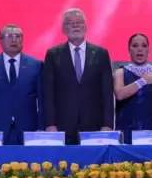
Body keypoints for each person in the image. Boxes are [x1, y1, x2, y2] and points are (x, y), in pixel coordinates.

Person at [42, 8, 114, 145]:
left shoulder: (101, 54)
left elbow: (107, 92)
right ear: (64, 29)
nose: (75, 25)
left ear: (85, 27)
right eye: (70, 22)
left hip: (94, 124)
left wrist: (108, 124)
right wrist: (50, 124)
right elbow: (48, 93)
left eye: (79, 22)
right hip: (63, 125)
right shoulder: (53, 54)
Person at [0, 24, 43, 145]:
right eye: (9, 36)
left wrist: (41, 127)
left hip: (28, 130)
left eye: (18, 36)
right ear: (0, 41)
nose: (14, 40)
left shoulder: (36, 65)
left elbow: (43, 101)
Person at [114, 33, 152, 144]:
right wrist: (143, 81)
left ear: (149, 50)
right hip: (126, 131)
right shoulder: (120, 73)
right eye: (135, 46)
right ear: (129, 50)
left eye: (144, 46)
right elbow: (120, 94)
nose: (140, 49)